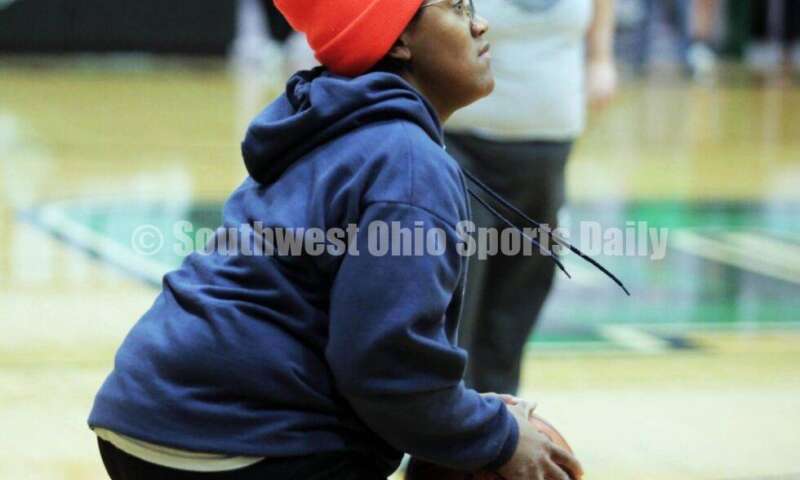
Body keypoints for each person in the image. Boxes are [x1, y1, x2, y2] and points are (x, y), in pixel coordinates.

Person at [87, 0, 584, 479]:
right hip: (236, 437)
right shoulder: (408, 165)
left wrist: (464, 415)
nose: (481, 25)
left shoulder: (331, 125)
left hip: (148, 411)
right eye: (457, 7)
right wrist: (497, 437)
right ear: (401, 39)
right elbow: (388, 369)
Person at [445, 0, 618, 396]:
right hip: (462, 147)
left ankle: (499, 418)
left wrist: (601, 55)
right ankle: (449, 425)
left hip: (549, 147)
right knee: (460, 290)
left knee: (521, 294)